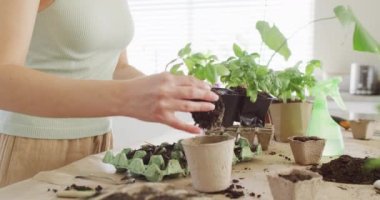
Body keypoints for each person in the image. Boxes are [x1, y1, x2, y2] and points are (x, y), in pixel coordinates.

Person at [0, 0, 218, 187]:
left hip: (100, 144)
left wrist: (172, 92)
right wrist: (126, 98)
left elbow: (117, 67)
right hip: (32, 147)